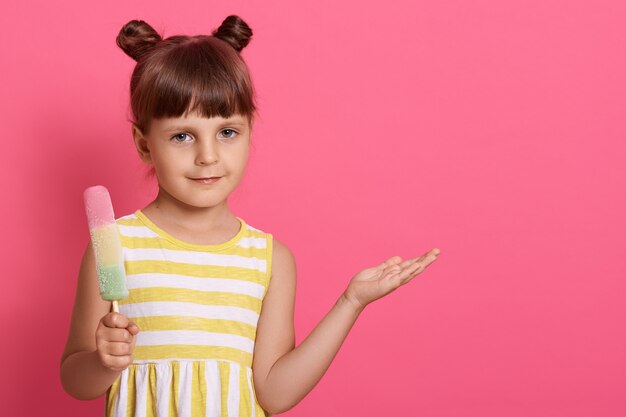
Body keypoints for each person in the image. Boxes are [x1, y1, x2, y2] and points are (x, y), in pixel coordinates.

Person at [59, 14, 441, 417]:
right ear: (144, 144)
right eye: (181, 136)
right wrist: (102, 362)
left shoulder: (270, 259)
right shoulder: (115, 246)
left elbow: (274, 393)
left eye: (227, 132)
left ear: (249, 131)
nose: (207, 155)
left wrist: (351, 302)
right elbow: (74, 380)